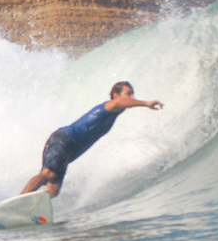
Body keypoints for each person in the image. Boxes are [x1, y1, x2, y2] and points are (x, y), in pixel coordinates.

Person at [21, 81, 163, 198]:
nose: (132, 96)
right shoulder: (109, 106)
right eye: (129, 93)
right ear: (116, 95)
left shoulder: (112, 115)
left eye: (133, 93)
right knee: (47, 174)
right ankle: (20, 199)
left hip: (69, 150)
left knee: (53, 190)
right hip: (64, 139)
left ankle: (31, 209)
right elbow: (119, 102)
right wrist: (146, 103)